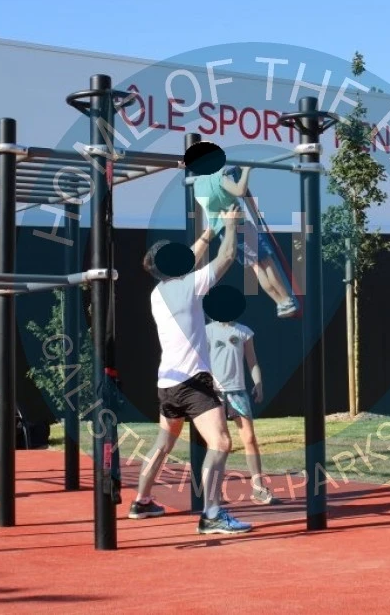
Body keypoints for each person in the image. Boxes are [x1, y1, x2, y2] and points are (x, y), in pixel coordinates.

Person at [129, 204, 253, 534]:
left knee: (163, 443)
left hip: (167, 383)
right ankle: (212, 513)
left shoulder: (159, 292)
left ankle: (141, 502)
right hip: (192, 383)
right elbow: (225, 258)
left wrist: (208, 232)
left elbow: (191, 258)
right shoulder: (189, 287)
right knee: (221, 442)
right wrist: (231, 225)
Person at [193, 165, 298, 318]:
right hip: (239, 224)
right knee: (266, 262)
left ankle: (280, 303)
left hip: (225, 232)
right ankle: (286, 300)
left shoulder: (197, 185)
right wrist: (247, 170)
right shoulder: (217, 177)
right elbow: (240, 191)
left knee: (256, 266)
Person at [206, 318, 278, 505]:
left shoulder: (244, 331)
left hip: (238, 392)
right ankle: (216, 492)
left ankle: (258, 488)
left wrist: (258, 383)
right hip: (215, 393)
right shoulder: (207, 331)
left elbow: (252, 361)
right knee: (218, 443)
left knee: (249, 438)